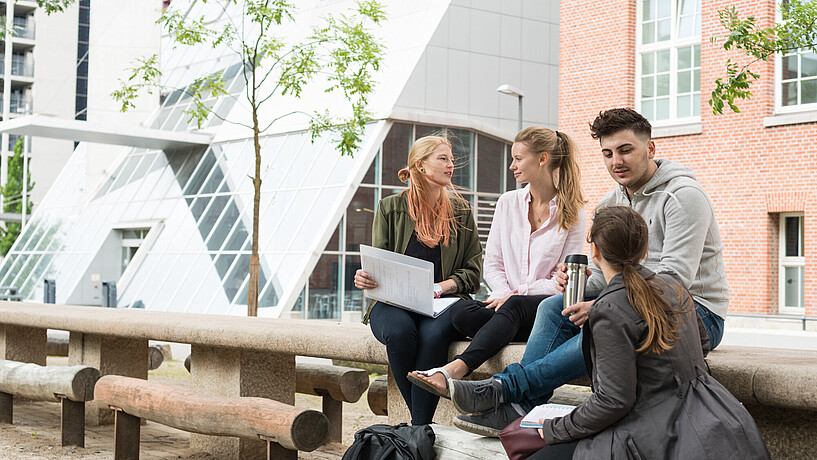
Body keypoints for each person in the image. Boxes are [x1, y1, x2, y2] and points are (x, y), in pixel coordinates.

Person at [448, 108, 730, 436]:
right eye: (608, 153)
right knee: (552, 306)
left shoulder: (683, 197)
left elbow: (673, 282)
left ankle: (505, 389)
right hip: (629, 306)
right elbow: (600, 276)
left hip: (695, 313)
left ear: (650, 148)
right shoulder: (610, 203)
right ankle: (523, 407)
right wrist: (575, 283)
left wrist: (603, 306)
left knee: (606, 324)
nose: (616, 162)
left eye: (626, 150)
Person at [524, 206, 768, 459]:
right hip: (714, 414)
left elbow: (613, 402)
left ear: (594, 251)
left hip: (650, 433)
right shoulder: (672, 284)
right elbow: (702, 343)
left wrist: (555, 428)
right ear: (644, 251)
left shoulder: (609, 309)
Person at [407, 127, 586, 398]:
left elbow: (561, 283)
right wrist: (503, 294)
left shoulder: (573, 213)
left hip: (544, 309)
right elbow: (491, 263)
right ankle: (508, 325)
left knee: (515, 306)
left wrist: (516, 295)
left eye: (518, 159)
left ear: (542, 159)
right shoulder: (508, 203)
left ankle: (455, 370)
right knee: (461, 312)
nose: (512, 166)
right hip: (507, 307)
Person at [354, 135, 483, 426]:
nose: (451, 165)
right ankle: (421, 425)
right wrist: (365, 277)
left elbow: (473, 272)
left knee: (433, 336)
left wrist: (440, 287)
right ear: (421, 165)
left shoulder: (462, 212)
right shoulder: (390, 207)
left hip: (443, 304)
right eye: (443, 158)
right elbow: (378, 264)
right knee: (399, 332)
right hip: (393, 302)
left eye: (451, 159)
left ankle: (418, 429)